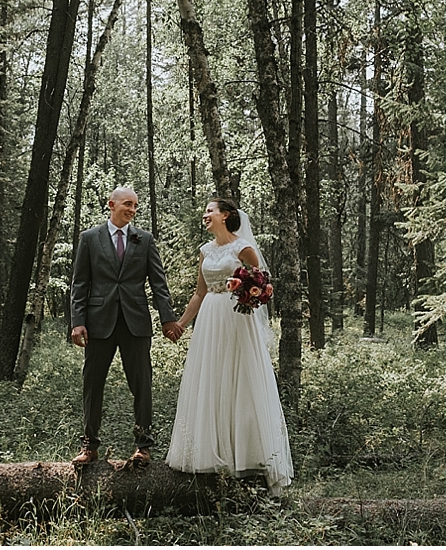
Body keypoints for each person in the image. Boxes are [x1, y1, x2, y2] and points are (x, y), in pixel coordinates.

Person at [165, 198, 293, 495]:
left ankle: (250, 455)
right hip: (210, 318)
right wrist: (181, 324)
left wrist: (252, 296)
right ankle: (211, 453)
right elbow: (199, 293)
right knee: (212, 379)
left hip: (237, 318)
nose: (205, 215)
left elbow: (260, 284)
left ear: (226, 215)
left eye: (210, 211)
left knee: (240, 380)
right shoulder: (206, 252)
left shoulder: (243, 248)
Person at [70, 187, 184, 466]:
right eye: (127, 204)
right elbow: (80, 283)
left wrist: (168, 318)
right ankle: (90, 445)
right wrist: (78, 322)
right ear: (111, 204)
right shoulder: (89, 238)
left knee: (142, 385)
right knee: (92, 384)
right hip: (99, 324)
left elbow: (158, 283)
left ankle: (143, 446)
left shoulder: (144, 240)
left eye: (135, 205)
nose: (132, 209)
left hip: (136, 322)